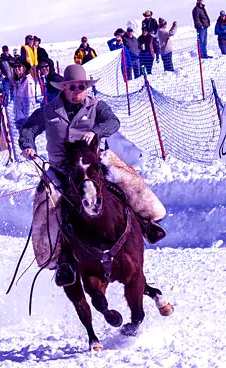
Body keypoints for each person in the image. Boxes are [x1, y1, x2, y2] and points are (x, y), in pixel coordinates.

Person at [18, 64, 166, 286]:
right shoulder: (48, 111)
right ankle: (58, 259)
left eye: (82, 86)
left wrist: (95, 131)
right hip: (61, 171)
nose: (77, 90)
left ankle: (147, 222)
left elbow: (113, 122)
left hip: (93, 165)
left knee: (128, 181)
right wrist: (28, 145)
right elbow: (28, 129)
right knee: (45, 204)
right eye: (72, 87)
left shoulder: (97, 106)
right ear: (64, 88)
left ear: (87, 87)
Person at [10, 60, 35, 130]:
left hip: (25, 120)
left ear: (24, 68)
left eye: (19, 66)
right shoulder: (18, 81)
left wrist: (27, 122)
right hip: (19, 118)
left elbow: (30, 103)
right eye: (15, 67)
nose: (16, 68)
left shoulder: (28, 81)